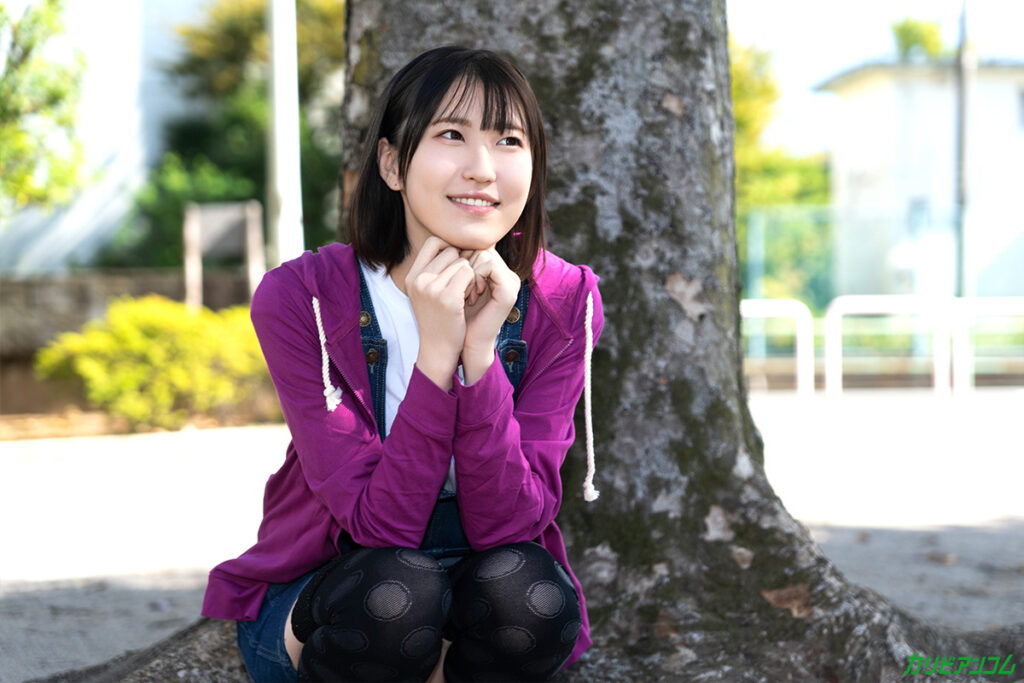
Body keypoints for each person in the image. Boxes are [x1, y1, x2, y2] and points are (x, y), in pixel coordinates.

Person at [201, 45, 604, 682]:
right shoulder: (304, 298)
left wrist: (479, 355)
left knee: (534, 599)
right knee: (396, 594)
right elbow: (377, 526)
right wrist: (437, 355)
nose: (482, 169)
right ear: (392, 163)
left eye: (508, 140)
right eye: (451, 135)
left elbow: (512, 523)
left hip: (481, 581)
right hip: (340, 587)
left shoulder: (563, 300)